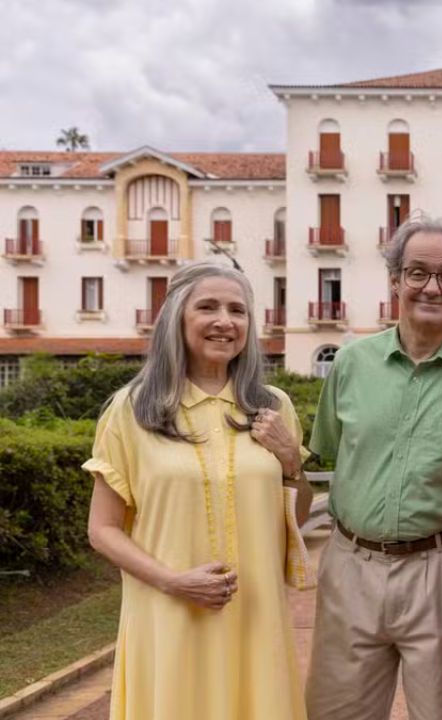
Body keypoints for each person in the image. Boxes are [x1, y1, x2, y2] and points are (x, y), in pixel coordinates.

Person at [306, 216, 442, 720]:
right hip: (350, 565)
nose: (431, 287)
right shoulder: (352, 364)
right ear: (395, 279)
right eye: (417, 272)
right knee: (336, 712)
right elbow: (329, 454)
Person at [85, 262, 312, 720]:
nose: (224, 321)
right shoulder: (131, 411)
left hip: (255, 615)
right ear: (177, 318)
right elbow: (102, 529)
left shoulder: (272, 407)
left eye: (238, 310)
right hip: (168, 612)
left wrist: (291, 462)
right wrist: (173, 580)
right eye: (207, 306)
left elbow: (298, 516)